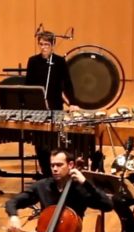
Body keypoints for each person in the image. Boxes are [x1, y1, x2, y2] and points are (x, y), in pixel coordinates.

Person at [25, 30, 79, 178]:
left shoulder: (60, 62)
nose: (43, 47)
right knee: (40, 146)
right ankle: (45, 174)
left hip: (55, 107)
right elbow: (28, 85)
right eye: (41, 44)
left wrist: (72, 103)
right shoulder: (33, 61)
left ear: (53, 45)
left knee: (54, 145)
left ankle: (57, 175)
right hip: (38, 109)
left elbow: (67, 84)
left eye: (47, 44)